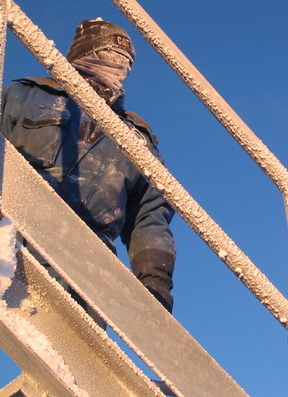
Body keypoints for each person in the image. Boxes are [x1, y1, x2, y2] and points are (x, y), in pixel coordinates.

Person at [1, 19, 176, 318]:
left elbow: (149, 216)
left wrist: (155, 280)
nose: (118, 65)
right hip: (13, 234)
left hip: (88, 267)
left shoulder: (136, 140)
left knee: (66, 363)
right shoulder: (25, 96)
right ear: (84, 53)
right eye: (109, 54)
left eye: (126, 61)